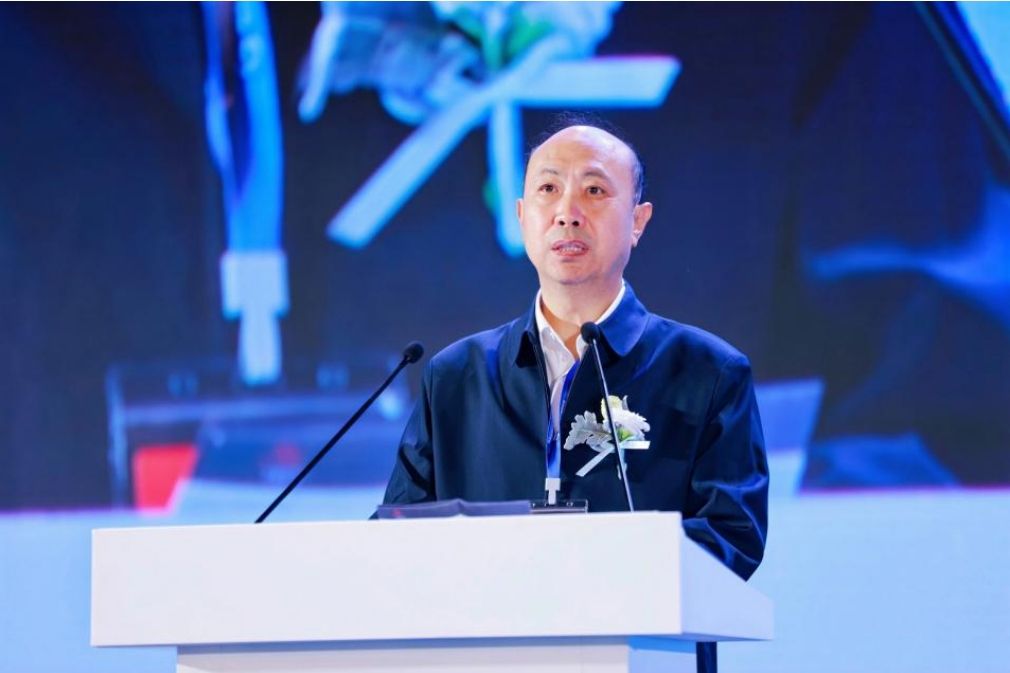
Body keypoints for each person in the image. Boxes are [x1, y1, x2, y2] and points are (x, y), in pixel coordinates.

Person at [381, 120, 768, 582]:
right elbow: (396, 538)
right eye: (548, 189)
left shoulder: (708, 373)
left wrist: (590, 578)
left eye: (594, 190)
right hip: (487, 627)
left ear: (638, 221)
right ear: (522, 215)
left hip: (637, 627)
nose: (567, 213)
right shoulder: (456, 376)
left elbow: (730, 537)